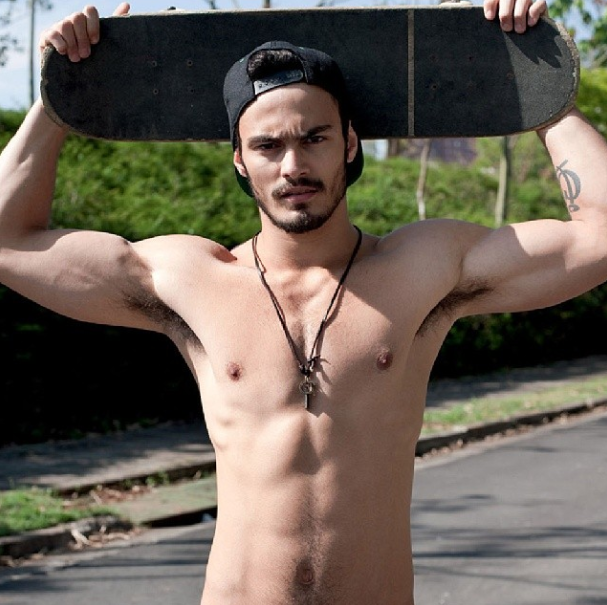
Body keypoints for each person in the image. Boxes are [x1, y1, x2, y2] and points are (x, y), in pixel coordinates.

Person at [1, 0, 606, 603]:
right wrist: (60, 96)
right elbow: (8, 242)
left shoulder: (421, 271)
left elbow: (600, 236)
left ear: (349, 143)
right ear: (240, 159)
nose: (293, 165)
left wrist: (544, 94)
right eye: (267, 145)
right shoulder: (192, 280)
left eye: (314, 137)